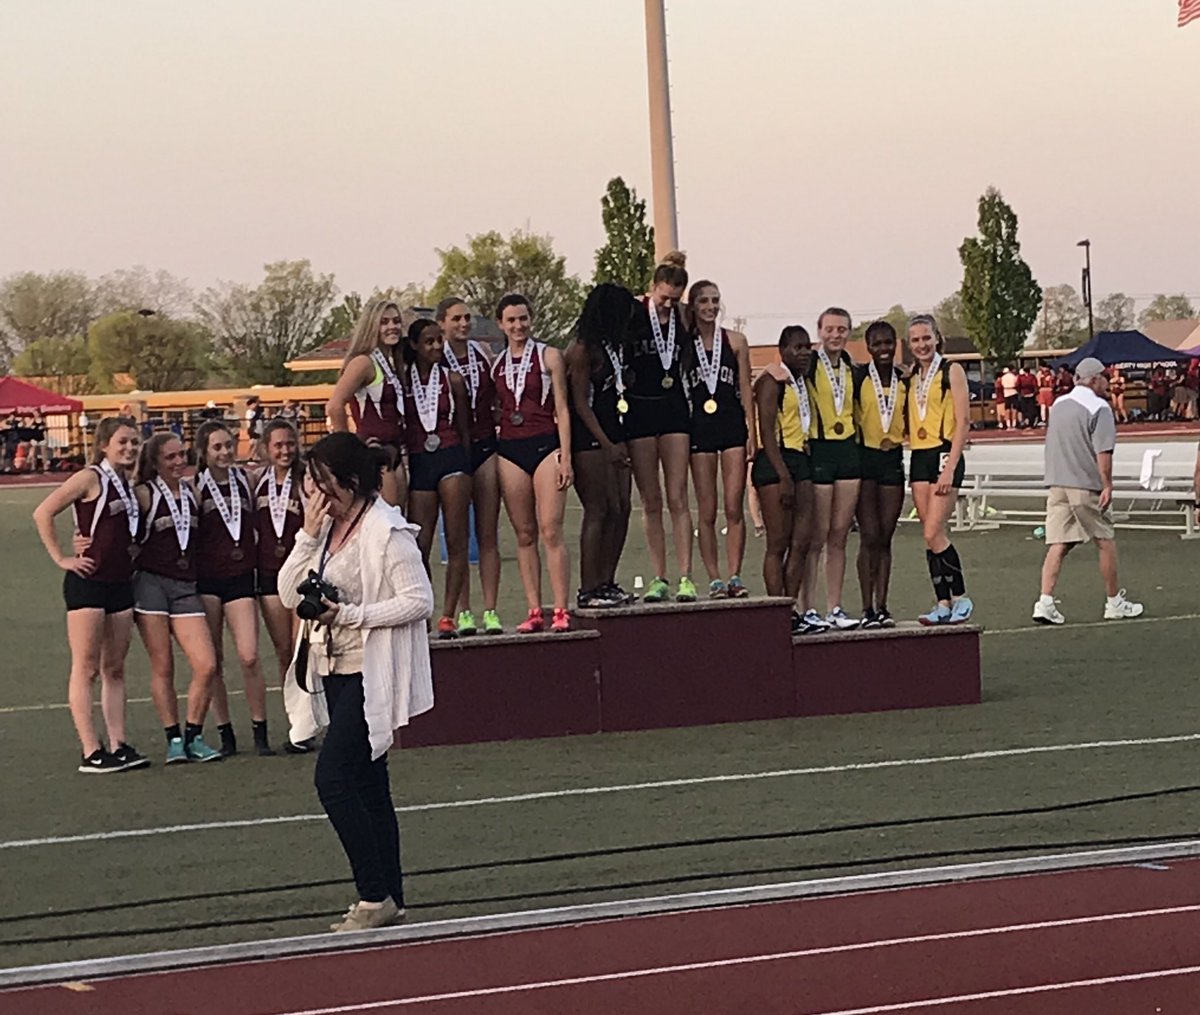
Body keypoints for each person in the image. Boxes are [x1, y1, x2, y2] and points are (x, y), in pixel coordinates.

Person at [278, 432, 433, 933]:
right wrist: (306, 535)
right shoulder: (326, 529)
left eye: (322, 482)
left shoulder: (386, 530)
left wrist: (350, 614)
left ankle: (372, 894)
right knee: (369, 784)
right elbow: (287, 593)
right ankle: (392, 897)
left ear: (349, 481)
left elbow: (419, 601)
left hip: (372, 668)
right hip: (334, 667)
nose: (315, 492)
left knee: (333, 777)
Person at [32, 417, 150, 773]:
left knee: (114, 668)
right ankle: (91, 750)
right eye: (122, 442)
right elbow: (43, 512)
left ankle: (119, 744)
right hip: (89, 582)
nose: (130, 448)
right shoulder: (89, 477)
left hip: (120, 584)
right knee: (86, 668)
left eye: (134, 442)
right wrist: (62, 558)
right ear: (103, 445)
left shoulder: (129, 485)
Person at [131, 432, 221, 763]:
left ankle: (194, 734)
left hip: (185, 586)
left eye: (181, 454)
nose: (178, 461)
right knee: (163, 666)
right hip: (151, 585)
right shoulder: (143, 494)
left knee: (206, 664)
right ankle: (174, 739)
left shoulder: (193, 492)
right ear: (155, 462)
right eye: (170, 457)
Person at [1033, 357, 1143, 624]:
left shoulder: (1059, 404)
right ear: (1094, 379)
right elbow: (1103, 452)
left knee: (1058, 543)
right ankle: (1114, 601)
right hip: (1084, 483)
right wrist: (1107, 484)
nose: (1108, 382)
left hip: (1057, 483)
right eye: (1104, 377)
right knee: (1105, 539)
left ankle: (1044, 602)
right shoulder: (1099, 408)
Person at [492, 294, 573, 633]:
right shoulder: (496, 364)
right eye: (511, 320)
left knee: (550, 529)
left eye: (523, 318)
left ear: (531, 319)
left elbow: (563, 408)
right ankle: (534, 609)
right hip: (510, 450)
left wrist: (566, 456)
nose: (518, 326)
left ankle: (561, 609)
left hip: (545, 446)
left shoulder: (549, 355)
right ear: (501, 324)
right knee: (524, 533)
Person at [193, 420, 272, 757]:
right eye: (217, 447)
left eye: (228, 445)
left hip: (241, 576)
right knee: (214, 661)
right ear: (203, 452)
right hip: (208, 580)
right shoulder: (195, 486)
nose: (225, 452)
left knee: (250, 656)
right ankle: (226, 733)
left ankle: (260, 731)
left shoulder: (246, 479)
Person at [624, 252, 696, 604]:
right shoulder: (634, 313)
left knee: (678, 496)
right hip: (639, 408)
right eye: (664, 297)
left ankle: (686, 577)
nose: (668, 304)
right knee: (650, 499)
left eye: (674, 299)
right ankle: (659, 577)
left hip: (673, 408)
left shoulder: (683, 316)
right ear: (652, 287)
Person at [565, 283, 639, 608]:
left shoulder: (613, 346)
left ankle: (607, 581)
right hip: (590, 438)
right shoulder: (582, 349)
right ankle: (588, 588)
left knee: (622, 507)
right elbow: (580, 403)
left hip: (615, 430)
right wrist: (607, 444)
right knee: (598, 509)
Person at [401, 318, 473, 639]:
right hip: (420, 463)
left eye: (438, 341)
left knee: (457, 541)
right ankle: (426, 613)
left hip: (451, 458)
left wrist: (466, 466)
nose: (436, 347)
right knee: (419, 546)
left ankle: (448, 616)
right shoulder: (404, 380)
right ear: (414, 345)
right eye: (428, 341)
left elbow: (464, 428)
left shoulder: (453, 379)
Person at [435, 296, 503, 634]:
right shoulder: (436, 360)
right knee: (458, 537)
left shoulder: (483, 353)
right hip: (453, 450)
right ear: (442, 323)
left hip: (485, 446)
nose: (464, 324)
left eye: (467, 318)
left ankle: (490, 610)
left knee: (488, 533)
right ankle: (463, 611)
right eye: (456, 319)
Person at [685, 280, 755, 599]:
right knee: (707, 509)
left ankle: (735, 575)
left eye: (715, 300)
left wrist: (752, 431)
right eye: (704, 301)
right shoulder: (684, 343)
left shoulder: (736, 341)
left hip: (731, 427)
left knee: (733, 505)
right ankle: (714, 578)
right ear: (693, 305)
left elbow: (746, 388)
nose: (711, 306)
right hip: (699, 428)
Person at [906, 314, 974, 625]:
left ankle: (961, 597)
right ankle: (942, 602)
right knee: (929, 536)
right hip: (919, 456)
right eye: (915, 340)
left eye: (926, 338)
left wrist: (950, 467)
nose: (922, 344)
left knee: (934, 531)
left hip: (945, 452)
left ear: (937, 338)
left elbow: (963, 421)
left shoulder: (951, 370)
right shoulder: (912, 376)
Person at [752, 326, 819, 634]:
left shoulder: (801, 381)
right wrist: (783, 476)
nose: (803, 353)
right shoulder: (771, 381)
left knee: (801, 542)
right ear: (781, 350)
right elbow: (766, 432)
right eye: (796, 347)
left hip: (800, 459)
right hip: (775, 462)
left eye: (807, 347)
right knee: (777, 543)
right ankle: (775, 610)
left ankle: (790, 609)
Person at [253, 418, 311, 753]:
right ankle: (295, 722)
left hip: (301, 574)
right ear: (266, 448)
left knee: (303, 649)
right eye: (278, 445)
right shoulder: (256, 482)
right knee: (284, 653)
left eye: (290, 444)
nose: (285, 450)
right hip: (269, 577)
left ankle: (306, 726)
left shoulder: (306, 479)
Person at [805, 307, 861, 631]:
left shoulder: (853, 367)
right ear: (820, 331)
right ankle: (808, 608)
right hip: (820, 450)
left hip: (848, 452)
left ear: (849, 332)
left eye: (841, 329)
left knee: (839, 535)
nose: (835, 335)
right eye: (830, 329)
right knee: (817, 536)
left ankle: (834, 608)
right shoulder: (810, 363)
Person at [326, 300, 408, 508]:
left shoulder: (392, 362)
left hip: (395, 450)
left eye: (396, 321)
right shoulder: (363, 362)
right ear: (371, 326)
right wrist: (349, 450)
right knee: (387, 522)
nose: (392, 327)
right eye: (384, 322)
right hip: (375, 452)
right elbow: (335, 406)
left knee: (400, 521)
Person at [853, 321, 906, 629]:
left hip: (892, 460)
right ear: (869, 347)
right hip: (865, 459)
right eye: (878, 344)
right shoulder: (859, 377)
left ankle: (883, 606)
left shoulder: (905, 379)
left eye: (888, 343)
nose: (884, 349)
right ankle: (866, 607)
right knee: (869, 535)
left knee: (885, 537)